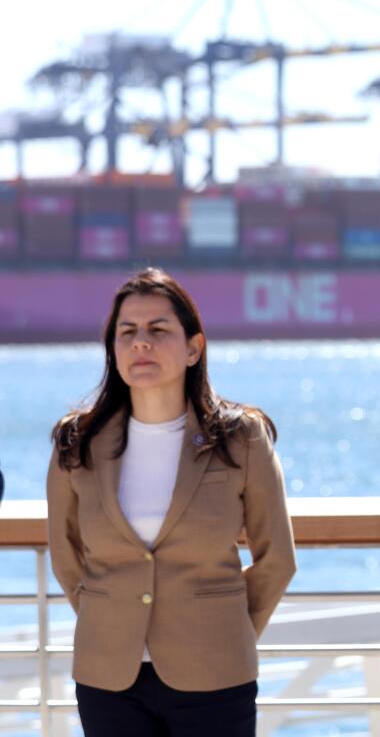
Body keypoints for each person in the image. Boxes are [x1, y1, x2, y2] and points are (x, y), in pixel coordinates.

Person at [46, 268, 296, 736]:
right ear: (113, 350)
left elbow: (277, 559)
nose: (141, 342)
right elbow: (67, 556)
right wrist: (116, 620)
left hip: (216, 672)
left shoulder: (241, 438)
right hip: (107, 678)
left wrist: (228, 632)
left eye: (158, 330)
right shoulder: (76, 442)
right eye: (127, 332)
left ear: (193, 348)